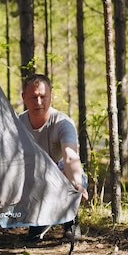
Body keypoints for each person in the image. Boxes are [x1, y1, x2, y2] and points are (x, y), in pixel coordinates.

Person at [19, 73, 88, 241]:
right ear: (24, 97)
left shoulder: (63, 123)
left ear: (51, 96)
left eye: (43, 96)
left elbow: (70, 157)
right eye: (34, 97)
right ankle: (40, 220)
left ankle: (70, 221)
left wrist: (77, 184)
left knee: (69, 174)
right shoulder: (17, 123)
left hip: (59, 174)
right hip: (34, 178)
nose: (39, 102)